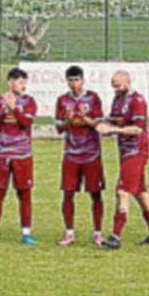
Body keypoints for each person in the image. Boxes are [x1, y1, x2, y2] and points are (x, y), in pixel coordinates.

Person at [98, 70, 149, 248]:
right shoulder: (118, 99)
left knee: (122, 191)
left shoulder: (137, 101)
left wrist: (113, 130)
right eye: (113, 86)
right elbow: (115, 121)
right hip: (125, 151)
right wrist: (103, 124)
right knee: (141, 193)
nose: (116, 89)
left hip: (136, 151)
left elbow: (137, 129)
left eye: (118, 86)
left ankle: (115, 236)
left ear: (128, 82)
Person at [0, 67, 39, 246]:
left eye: (24, 82)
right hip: (1, 153)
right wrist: (4, 111)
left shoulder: (29, 102)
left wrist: (14, 109)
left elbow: (26, 122)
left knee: (24, 193)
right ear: (10, 83)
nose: (23, 86)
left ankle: (26, 233)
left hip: (22, 154)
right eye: (19, 82)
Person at [54, 65, 106, 247]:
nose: (74, 83)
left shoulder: (93, 98)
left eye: (77, 80)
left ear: (83, 81)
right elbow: (59, 128)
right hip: (71, 154)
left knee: (96, 194)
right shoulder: (62, 100)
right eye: (70, 80)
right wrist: (69, 121)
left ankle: (98, 233)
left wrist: (85, 119)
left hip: (91, 154)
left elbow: (99, 124)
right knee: (68, 193)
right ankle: (69, 233)